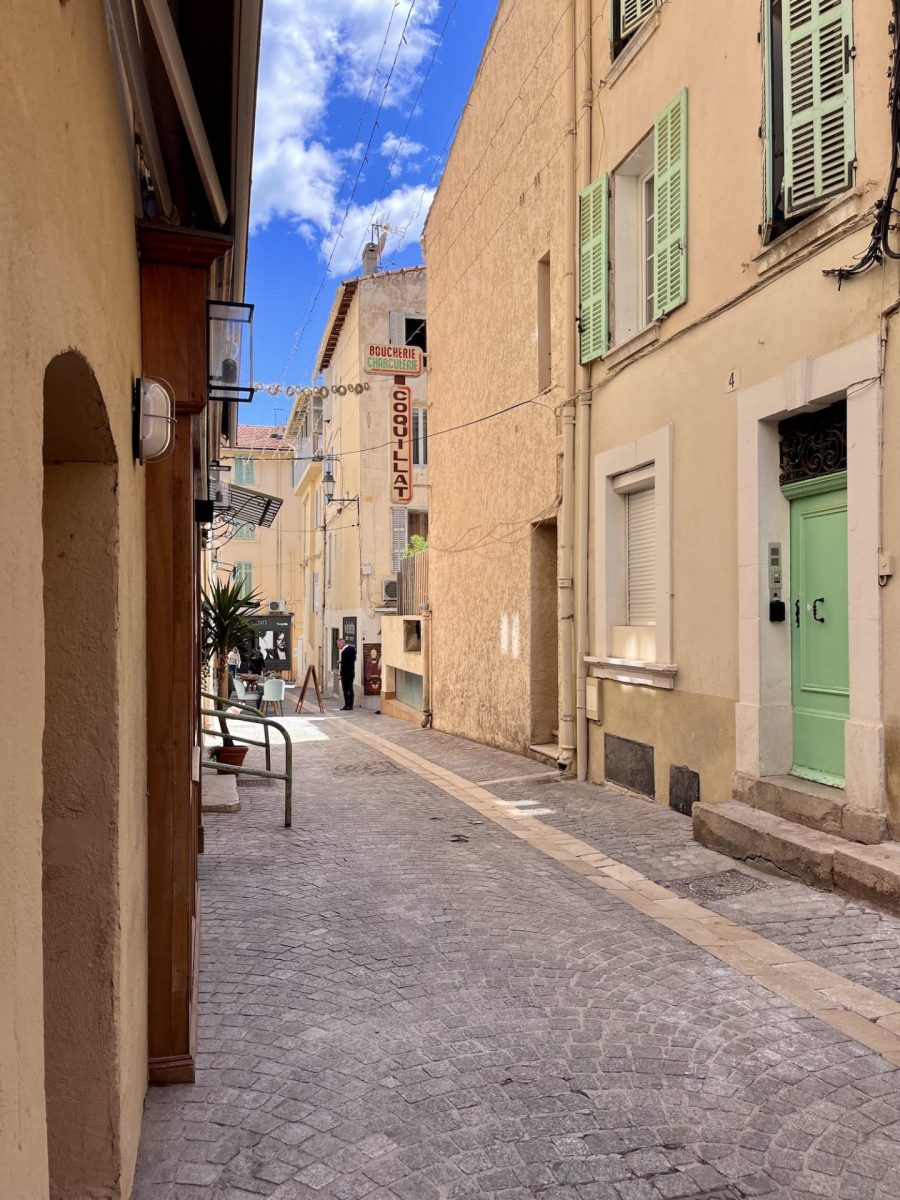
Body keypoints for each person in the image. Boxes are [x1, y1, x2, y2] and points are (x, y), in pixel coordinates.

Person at [338, 638, 357, 710]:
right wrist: (342, 661)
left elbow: (344, 666)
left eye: (338, 644)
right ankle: (351, 705)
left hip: (345, 674)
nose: (338, 646)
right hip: (352, 672)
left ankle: (346, 705)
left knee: (345, 690)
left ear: (342, 643)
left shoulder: (344, 652)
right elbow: (354, 659)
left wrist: (341, 675)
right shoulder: (352, 649)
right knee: (351, 689)